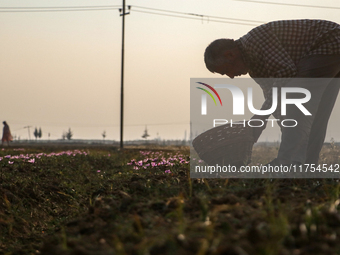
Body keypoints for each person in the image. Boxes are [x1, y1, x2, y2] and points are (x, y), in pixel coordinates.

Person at [204, 19, 340, 166]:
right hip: (328, 52)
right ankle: (306, 168)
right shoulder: (254, 68)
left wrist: (259, 118)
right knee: (316, 117)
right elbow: (274, 97)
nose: (231, 76)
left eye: (225, 71)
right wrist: (261, 124)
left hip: (329, 42)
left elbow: (286, 72)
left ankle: (287, 165)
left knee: (296, 100)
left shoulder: (255, 42)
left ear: (230, 55)